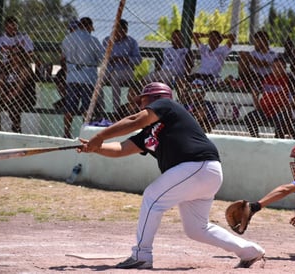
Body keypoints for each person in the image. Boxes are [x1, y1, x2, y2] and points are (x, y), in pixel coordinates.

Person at [77, 82, 265, 269]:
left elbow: (135, 119)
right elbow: (120, 149)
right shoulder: (146, 133)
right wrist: (94, 148)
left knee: (152, 196)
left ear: (154, 98)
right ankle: (250, 251)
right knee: (197, 229)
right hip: (198, 173)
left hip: (197, 165)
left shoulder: (167, 105)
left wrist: (99, 136)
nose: (141, 104)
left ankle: (141, 255)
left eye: (143, 100)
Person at [61, 17, 104, 138]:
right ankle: (84, 133)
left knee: (70, 106)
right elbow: (101, 58)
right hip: (88, 76)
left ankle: (66, 132)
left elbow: (64, 56)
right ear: (89, 26)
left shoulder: (67, 39)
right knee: (87, 106)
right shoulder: (93, 40)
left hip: (72, 75)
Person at [242, 57, 295, 138]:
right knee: (249, 118)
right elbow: (254, 91)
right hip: (265, 110)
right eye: (274, 67)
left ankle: (278, 140)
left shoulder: (290, 79)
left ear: (284, 68)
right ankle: (255, 138)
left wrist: (286, 108)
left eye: (280, 67)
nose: (277, 69)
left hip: (280, 110)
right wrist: (258, 106)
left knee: (281, 121)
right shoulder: (267, 77)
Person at [102, 19, 142, 112]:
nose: (116, 32)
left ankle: (116, 109)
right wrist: (109, 59)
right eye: (115, 29)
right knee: (98, 81)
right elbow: (101, 57)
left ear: (125, 31)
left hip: (126, 71)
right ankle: (101, 108)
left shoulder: (132, 42)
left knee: (115, 77)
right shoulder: (107, 40)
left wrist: (126, 59)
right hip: (109, 69)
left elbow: (138, 60)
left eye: (120, 30)